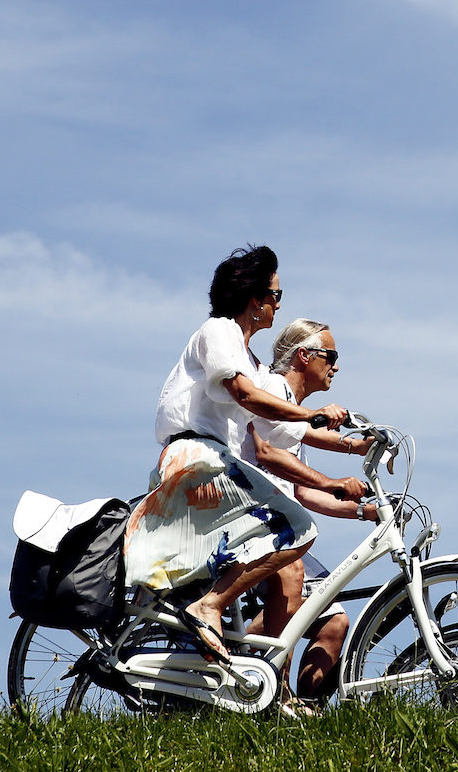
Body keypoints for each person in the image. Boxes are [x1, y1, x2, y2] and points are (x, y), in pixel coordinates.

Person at [121, 245, 347, 666]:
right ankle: (209, 608)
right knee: (297, 527)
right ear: (254, 299)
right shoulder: (219, 332)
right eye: (276, 296)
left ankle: (233, 654)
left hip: (215, 463)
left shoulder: (252, 361)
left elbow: (281, 422)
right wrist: (313, 415)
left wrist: (354, 440)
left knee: (284, 558)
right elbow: (246, 395)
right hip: (195, 459)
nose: (279, 305)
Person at [245, 319, 376, 701]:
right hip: (255, 520)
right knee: (293, 574)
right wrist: (338, 478)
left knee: (333, 623)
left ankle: (304, 713)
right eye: (331, 356)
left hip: (281, 519)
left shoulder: (291, 408)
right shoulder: (272, 390)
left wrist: (363, 511)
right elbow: (267, 456)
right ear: (304, 356)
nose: (336, 366)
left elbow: (301, 490)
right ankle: (275, 697)